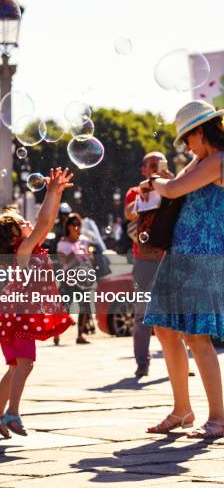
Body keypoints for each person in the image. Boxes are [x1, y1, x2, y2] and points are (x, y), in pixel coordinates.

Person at [141, 100, 224, 438]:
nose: (186, 147)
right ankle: (182, 410)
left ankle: (218, 417)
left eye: (187, 139)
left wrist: (156, 182)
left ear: (200, 133)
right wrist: (161, 182)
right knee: (163, 327)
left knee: (196, 336)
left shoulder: (219, 161)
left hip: (202, 256)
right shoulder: (202, 159)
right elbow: (177, 183)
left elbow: (173, 189)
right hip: (180, 254)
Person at [0, 168, 75, 438]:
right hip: (18, 315)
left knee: (15, 367)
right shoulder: (23, 252)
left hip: (11, 315)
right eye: (22, 223)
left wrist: (55, 193)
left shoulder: (23, 251)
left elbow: (46, 221)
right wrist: (50, 192)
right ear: (13, 239)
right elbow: (45, 224)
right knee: (25, 364)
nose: (28, 224)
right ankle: (12, 412)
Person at [125, 151, 173, 378]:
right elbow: (129, 214)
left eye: (159, 163)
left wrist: (170, 185)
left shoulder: (172, 186)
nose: (155, 167)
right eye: (151, 164)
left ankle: (177, 363)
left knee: (173, 313)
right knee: (142, 314)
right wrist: (146, 191)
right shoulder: (135, 191)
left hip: (167, 258)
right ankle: (142, 363)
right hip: (144, 260)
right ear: (143, 169)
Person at [56, 212, 95, 345]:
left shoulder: (83, 241)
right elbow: (62, 261)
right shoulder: (63, 243)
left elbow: (88, 258)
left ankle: (80, 335)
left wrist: (88, 255)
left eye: (79, 224)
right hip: (68, 278)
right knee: (65, 307)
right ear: (68, 226)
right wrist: (73, 254)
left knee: (84, 306)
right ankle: (56, 333)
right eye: (74, 224)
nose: (76, 227)